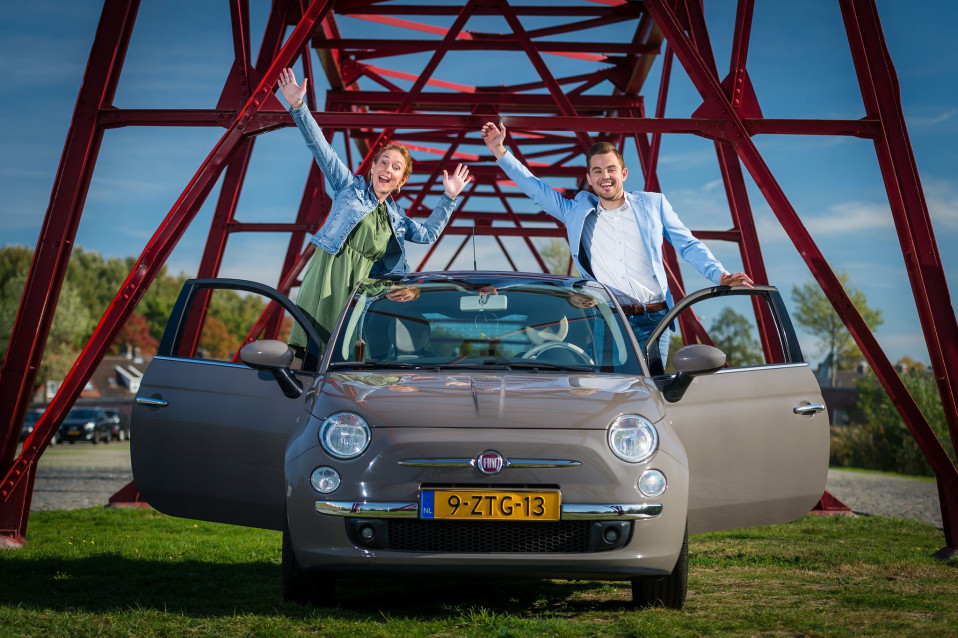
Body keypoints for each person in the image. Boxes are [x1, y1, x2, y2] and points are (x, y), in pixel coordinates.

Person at [480, 121, 752, 369]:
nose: (605, 176)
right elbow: (536, 188)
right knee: (609, 390)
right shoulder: (576, 212)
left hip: (654, 318)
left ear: (623, 172)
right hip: (608, 319)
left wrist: (720, 274)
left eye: (611, 169)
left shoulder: (653, 205)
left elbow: (687, 244)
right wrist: (500, 150)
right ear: (589, 178)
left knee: (652, 389)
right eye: (597, 171)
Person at [278, 68, 472, 350]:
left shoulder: (397, 219)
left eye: (396, 168)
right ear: (372, 167)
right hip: (329, 273)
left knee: (349, 352)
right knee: (308, 347)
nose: (387, 170)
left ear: (401, 181)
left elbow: (428, 234)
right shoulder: (349, 189)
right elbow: (321, 148)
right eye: (383, 162)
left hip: (363, 288)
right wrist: (298, 106)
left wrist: (449, 197)